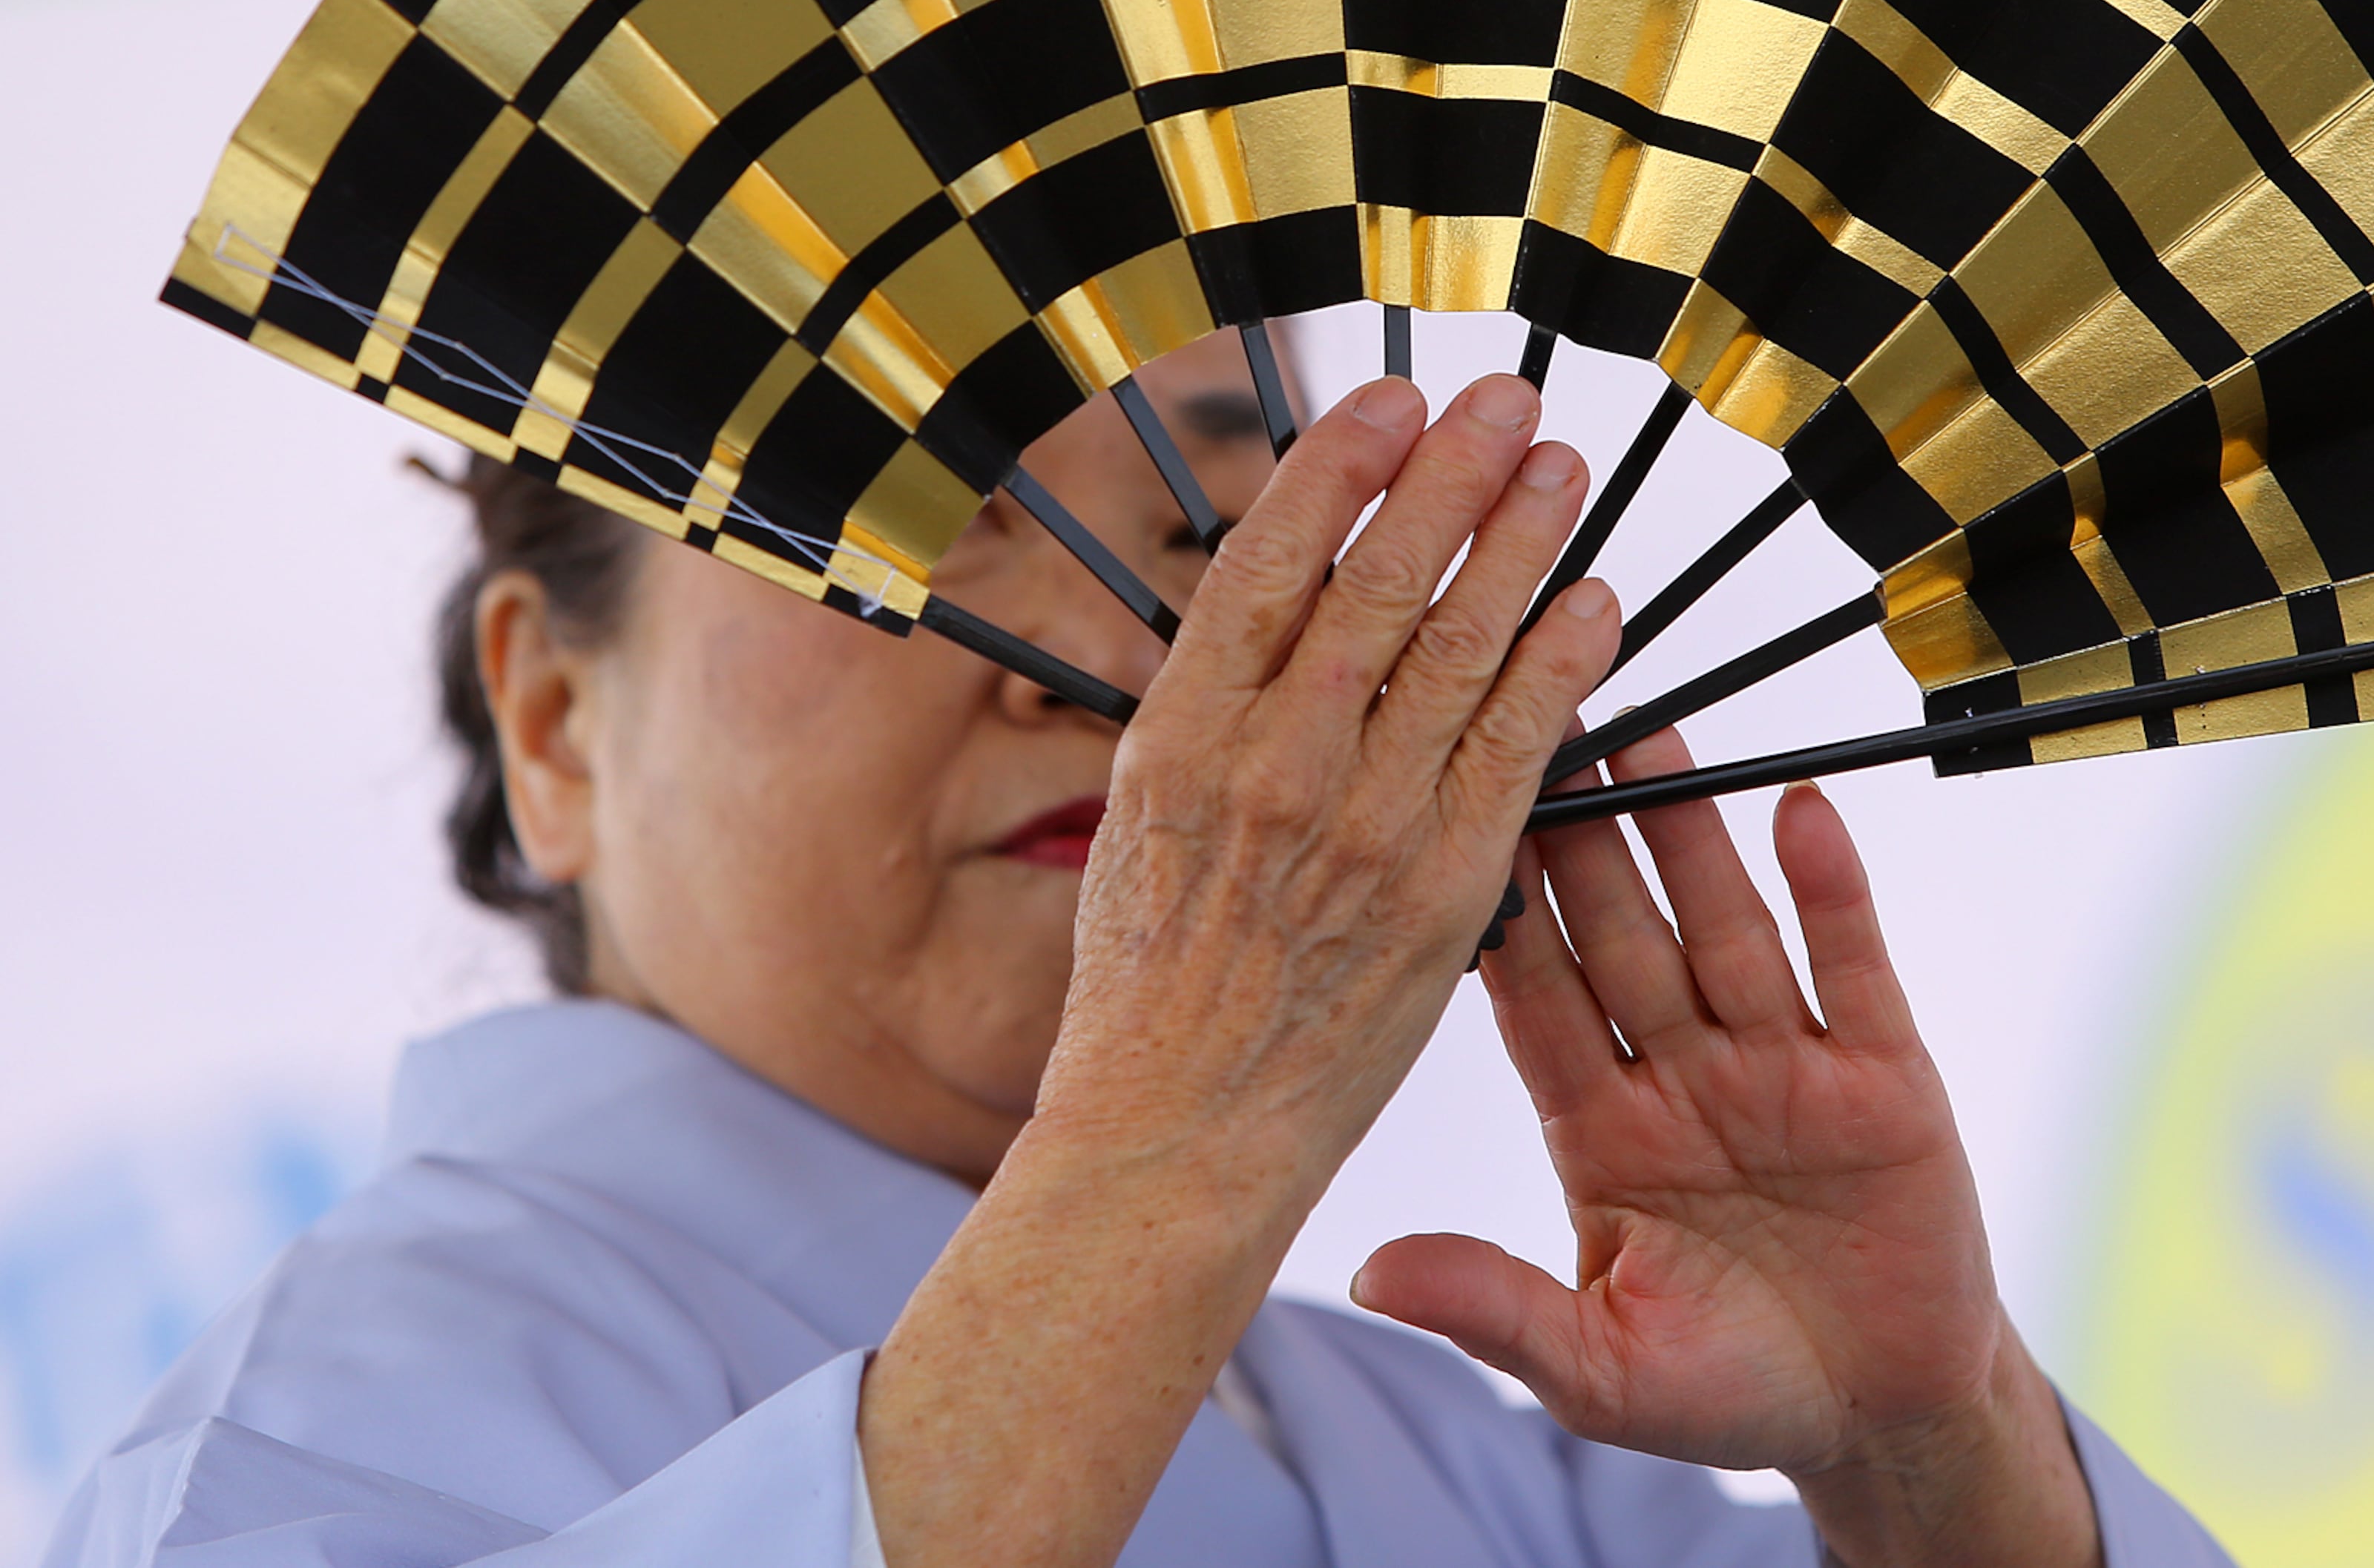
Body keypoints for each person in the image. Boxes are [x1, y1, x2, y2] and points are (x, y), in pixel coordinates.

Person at [48, 332, 2231, 1567]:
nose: (1111, 650)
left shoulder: (1470, 1464)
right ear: (552, 712)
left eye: (1205, 524)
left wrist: (1939, 1444)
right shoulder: (310, 1445)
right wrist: (1182, 1145)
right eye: (924, 514)